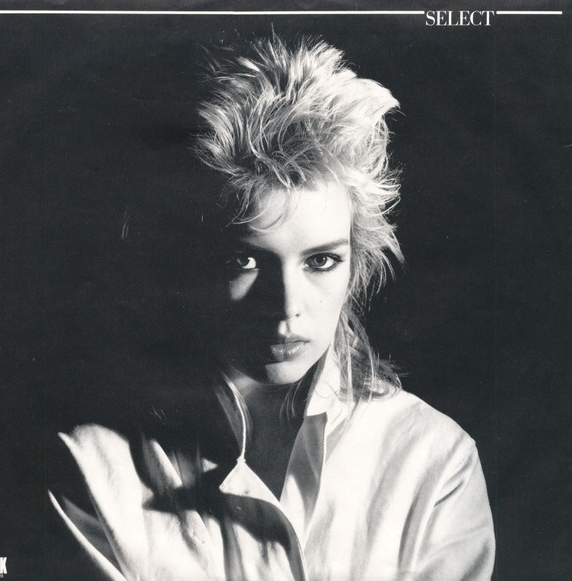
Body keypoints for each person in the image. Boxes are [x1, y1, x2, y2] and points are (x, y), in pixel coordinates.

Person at [48, 36, 495, 580]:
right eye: (244, 259)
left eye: (321, 261)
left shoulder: (435, 462)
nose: (285, 307)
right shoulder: (94, 467)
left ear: (357, 264)